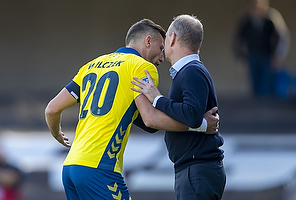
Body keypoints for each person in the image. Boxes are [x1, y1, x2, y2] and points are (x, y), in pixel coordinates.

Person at [45, 18, 220, 200]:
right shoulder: (141, 67)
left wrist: (56, 132)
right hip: (100, 168)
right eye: (160, 48)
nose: (161, 57)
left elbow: (52, 109)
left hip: (70, 167)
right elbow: (150, 119)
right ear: (148, 41)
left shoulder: (91, 66)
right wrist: (200, 125)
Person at [131, 14, 226, 200]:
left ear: (173, 38)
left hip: (197, 169)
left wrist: (157, 98)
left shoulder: (191, 71)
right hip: (194, 169)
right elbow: (177, 118)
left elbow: (191, 115)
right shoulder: (189, 71)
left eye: (166, 37)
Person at [232, 0, 280, 97]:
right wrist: (241, 58)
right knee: (255, 84)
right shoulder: (246, 23)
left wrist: (275, 55)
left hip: (266, 55)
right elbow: (238, 41)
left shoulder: (269, 22)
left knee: (266, 83)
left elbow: (278, 38)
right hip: (252, 55)